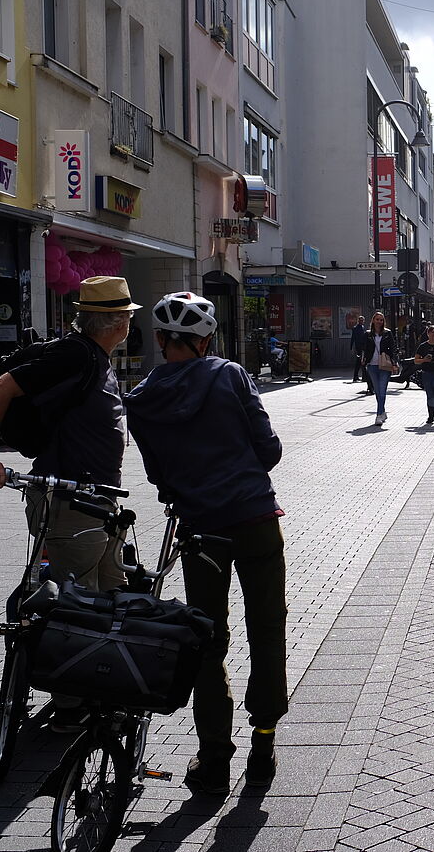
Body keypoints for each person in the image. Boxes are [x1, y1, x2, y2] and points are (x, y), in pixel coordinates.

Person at [123, 292, 286, 794]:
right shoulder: (230, 375)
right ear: (206, 340)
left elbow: (158, 475)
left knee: (208, 640)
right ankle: (263, 743)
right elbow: (269, 450)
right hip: (255, 518)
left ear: (159, 339)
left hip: (200, 530)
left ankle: (214, 757)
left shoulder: (141, 399)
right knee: (266, 627)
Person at [0, 276, 138, 733]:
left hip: (98, 501)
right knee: (74, 603)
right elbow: (0, 387)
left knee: (106, 597)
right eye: (126, 317)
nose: (128, 324)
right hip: (71, 501)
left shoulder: (92, 356)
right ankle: (70, 705)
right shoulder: (75, 354)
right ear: (117, 322)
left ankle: (97, 690)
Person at [360, 312, 399, 426]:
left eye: (381, 320)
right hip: (372, 365)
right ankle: (383, 412)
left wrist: (394, 362)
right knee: (377, 391)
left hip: (385, 365)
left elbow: (393, 348)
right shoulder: (368, 334)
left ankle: (378, 415)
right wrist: (363, 358)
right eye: (377, 319)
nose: (379, 322)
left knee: (382, 391)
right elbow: (364, 348)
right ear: (373, 320)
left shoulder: (387, 333)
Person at [349, 315, 368, 388]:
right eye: (361, 320)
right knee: (361, 361)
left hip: (360, 347)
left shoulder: (361, 327)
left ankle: (356, 376)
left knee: (359, 362)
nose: (362, 322)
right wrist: (351, 347)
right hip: (360, 347)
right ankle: (362, 377)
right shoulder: (356, 328)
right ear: (359, 321)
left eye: (363, 320)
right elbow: (353, 338)